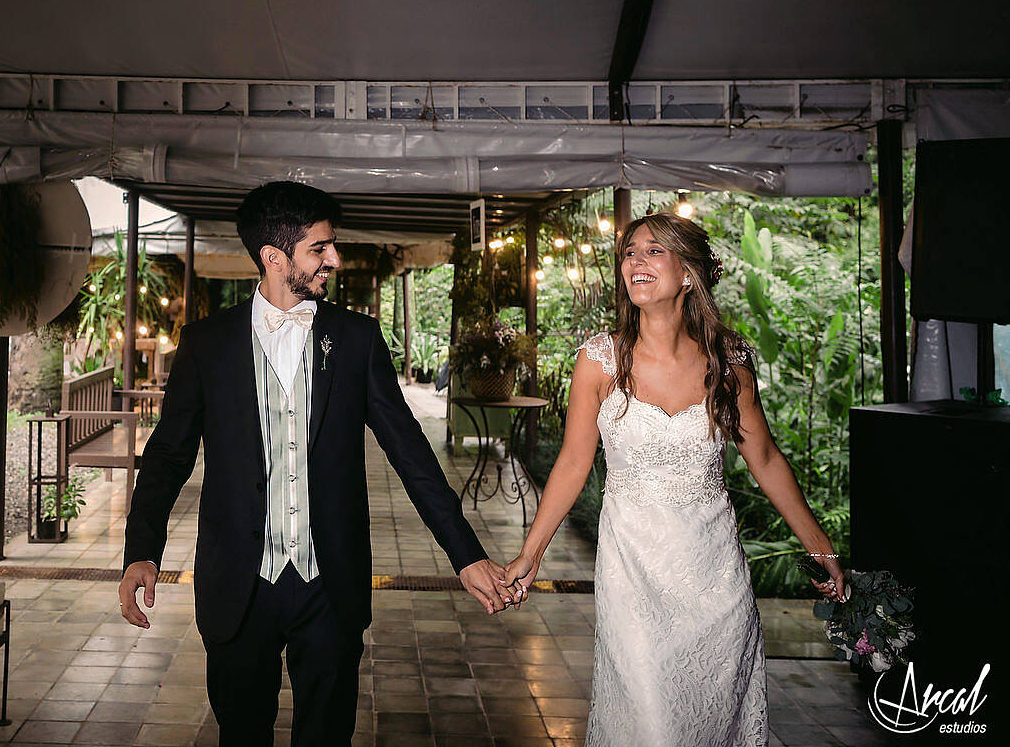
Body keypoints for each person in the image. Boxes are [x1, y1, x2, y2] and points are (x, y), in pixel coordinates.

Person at [119, 181, 519, 745]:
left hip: (329, 588)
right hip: (239, 586)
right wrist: (141, 550)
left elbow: (409, 451)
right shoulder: (206, 344)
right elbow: (167, 454)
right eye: (320, 248)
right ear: (274, 258)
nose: (334, 258)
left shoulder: (356, 340)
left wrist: (466, 555)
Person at [504, 212, 847, 747]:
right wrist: (531, 554)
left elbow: (766, 458)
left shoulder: (728, 365)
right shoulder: (599, 360)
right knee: (652, 722)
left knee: (711, 721)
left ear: (688, 273)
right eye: (630, 252)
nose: (636, 261)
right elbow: (573, 463)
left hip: (715, 579)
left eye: (653, 251)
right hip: (632, 574)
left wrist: (819, 545)